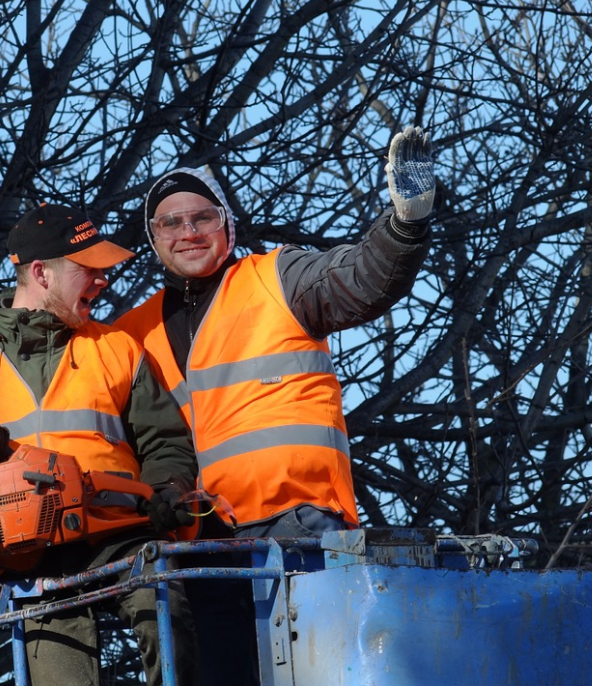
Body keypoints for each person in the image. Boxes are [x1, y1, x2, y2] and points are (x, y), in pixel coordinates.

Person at [111, 125, 435, 684]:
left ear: (228, 226)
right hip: (199, 549)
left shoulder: (278, 279)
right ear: (154, 239)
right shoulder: (127, 337)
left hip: (298, 528)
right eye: (170, 222)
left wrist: (404, 224)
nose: (188, 231)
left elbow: (361, 278)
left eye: (203, 217)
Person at [0, 203, 199, 686]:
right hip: (28, 552)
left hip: (118, 528)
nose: (101, 280)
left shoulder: (114, 349)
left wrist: (168, 489)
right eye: (86, 270)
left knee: (164, 601)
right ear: (40, 274)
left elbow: (165, 441)